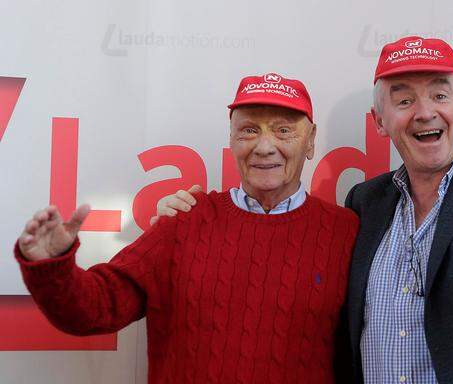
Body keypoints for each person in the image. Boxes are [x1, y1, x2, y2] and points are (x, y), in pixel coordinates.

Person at [159, 37, 453, 383]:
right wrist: (189, 222)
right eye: (404, 99)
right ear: (379, 120)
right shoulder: (365, 202)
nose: (424, 112)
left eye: (440, 95)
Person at [15, 73, 359, 384]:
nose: (264, 146)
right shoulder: (184, 220)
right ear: (232, 140)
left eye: (284, 130)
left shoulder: (347, 231)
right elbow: (94, 309)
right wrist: (51, 265)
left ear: (310, 140)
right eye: (249, 130)